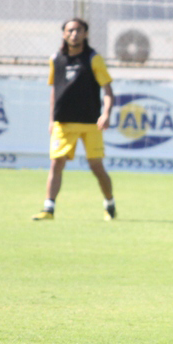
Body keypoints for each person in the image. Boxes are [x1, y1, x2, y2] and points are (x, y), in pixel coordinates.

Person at [32, 18, 116, 221]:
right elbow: (55, 90)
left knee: (96, 166)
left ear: (85, 34)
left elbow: (108, 91)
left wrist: (106, 113)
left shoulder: (93, 58)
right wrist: (52, 119)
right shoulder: (56, 59)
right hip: (64, 122)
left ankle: (109, 203)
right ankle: (48, 209)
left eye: (78, 30)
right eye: (70, 31)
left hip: (90, 122)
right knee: (56, 163)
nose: (74, 34)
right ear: (63, 34)